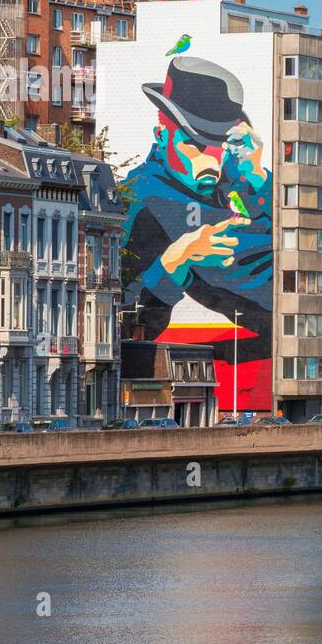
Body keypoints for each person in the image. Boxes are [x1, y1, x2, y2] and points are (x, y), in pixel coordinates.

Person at [122, 55, 273, 412]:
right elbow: (129, 326)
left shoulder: (239, 182)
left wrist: (259, 180)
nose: (211, 161)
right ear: (161, 135)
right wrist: (177, 260)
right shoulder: (141, 199)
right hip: (231, 362)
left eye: (220, 145)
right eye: (194, 145)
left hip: (294, 340)